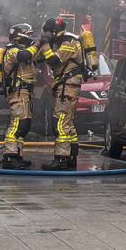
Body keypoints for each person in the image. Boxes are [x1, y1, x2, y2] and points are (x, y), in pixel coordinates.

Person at [38, 17, 92, 170]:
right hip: (67, 87)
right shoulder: (64, 41)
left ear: (54, 31)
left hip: (67, 88)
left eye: (48, 33)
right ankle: (71, 157)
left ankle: (60, 159)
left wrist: (45, 46)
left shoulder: (68, 41)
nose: (47, 36)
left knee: (60, 123)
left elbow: (55, 60)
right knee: (68, 124)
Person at [0, 23, 38, 169]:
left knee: (24, 126)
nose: (31, 37)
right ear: (21, 36)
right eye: (29, 34)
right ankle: (9, 156)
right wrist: (37, 45)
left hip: (25, 93)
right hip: (17, 92)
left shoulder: (24, 50)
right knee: (17, 124)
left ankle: (17, 155)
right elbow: (23, 56)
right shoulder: (12, 51)